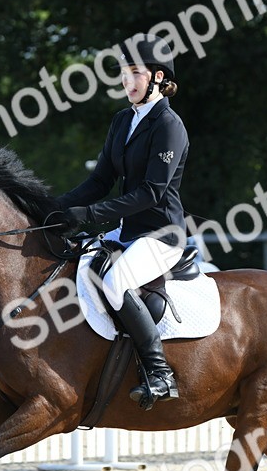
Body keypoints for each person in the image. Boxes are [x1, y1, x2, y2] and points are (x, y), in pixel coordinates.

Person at [49, 34, 189, 410]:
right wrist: (55, 208)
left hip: (161, 235)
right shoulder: (122, 120)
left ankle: (159, 373)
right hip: (127, 232)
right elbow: (99, 181)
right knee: (76, 270)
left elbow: (151, 192)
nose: (127, 82)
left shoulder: (168, 125)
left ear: (157, 77)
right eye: (124, 74)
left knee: (114, 281)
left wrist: (90, 216)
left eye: (135, 74)